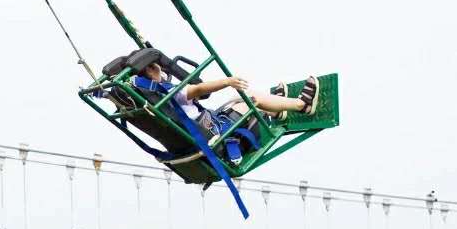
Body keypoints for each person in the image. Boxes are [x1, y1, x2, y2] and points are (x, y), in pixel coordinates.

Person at [133, 61, 319, 163]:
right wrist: (227, 81)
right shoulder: (169, 93)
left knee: (235, 102)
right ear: (150, 73)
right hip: (216, 135)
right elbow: (198, 89)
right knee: (250, 98)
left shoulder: (153, 104)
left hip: (202, 134)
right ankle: (302, 105)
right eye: (154, 67)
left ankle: (277, 111)